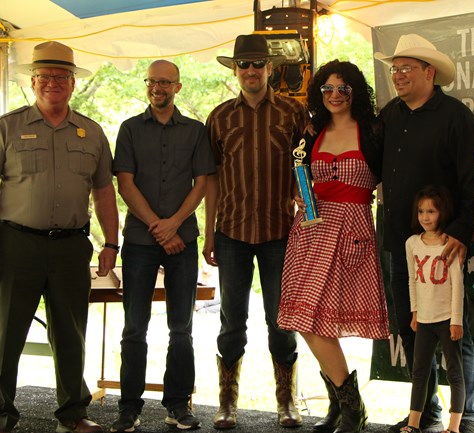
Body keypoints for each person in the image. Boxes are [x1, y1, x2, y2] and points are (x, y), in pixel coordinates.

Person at [0, 41, 119, 433]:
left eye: (61, 77)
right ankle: (2, 414)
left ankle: (72, 414)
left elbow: (104, 192)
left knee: (71, 335)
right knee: (5, 334)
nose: (53, 82)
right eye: (46, 76)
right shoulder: (8, 126)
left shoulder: (93, 132)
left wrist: (110, 244)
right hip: (16, 244)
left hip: (70, 246)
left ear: (71, 84)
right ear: (33, 82)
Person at [374, 33, 474, 433]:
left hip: (445, 245)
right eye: (394, 69)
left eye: (406, 68)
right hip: (401, 244)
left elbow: (471, 180)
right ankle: (429, 409)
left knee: (454, 332)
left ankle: (465, 414)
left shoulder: (456, 116)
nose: (398, 76)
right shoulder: (390, 116)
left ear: (429, 72)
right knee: (412, 327)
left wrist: (459, 232)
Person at [277, 60, 390, 433]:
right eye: (328, 89)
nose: (336, 95)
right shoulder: (313, 132)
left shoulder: (373, 131)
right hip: (310, 230)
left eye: (343, 88)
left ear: (355, 92)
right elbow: (301, 175)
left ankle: (347, 408)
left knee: (319, 319)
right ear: (319, 94)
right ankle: (345, 405)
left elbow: (390, 176)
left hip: (352, 230)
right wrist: (300, 193)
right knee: (305, 318)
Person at [203, 33, 308, 429]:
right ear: (235, 68)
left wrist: (306, 210)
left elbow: (306, 168)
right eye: (243, 64)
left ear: (270, 68)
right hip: (230, 231)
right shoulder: (219, 118)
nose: (250, 70)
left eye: (257, 63)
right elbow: (210, 177)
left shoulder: (292, 114)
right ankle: (227, 404)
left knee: (282, 319)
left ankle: (287, 402)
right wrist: (209, 232)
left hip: (281, 231)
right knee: (232, 321)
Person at [110, 60, 214, 432]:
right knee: (134, 328)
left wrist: (174, 227)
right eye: (152, 81)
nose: (158, 87)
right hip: (140, 241)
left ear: (178, 87)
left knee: (181, 328)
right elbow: (125, 184)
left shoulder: (197, 131)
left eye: (165, 82)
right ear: (147, 85)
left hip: (182, 240)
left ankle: (177, 406)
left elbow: (201, 183)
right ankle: (128, 408)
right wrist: (159, 228)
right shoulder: (129, 129)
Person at [401, 186, 465, 433]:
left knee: (454, 373)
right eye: (421, 211)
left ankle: (454, 426)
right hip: (425, 319)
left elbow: (457, 283)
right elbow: (411, 279)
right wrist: (415, 313)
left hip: (447, 319)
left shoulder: (451, 244)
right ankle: (413, 423)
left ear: (442, 212)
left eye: (431, 211)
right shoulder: (412, 243)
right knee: (420, 372)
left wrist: (456, 320)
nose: (425, 217)